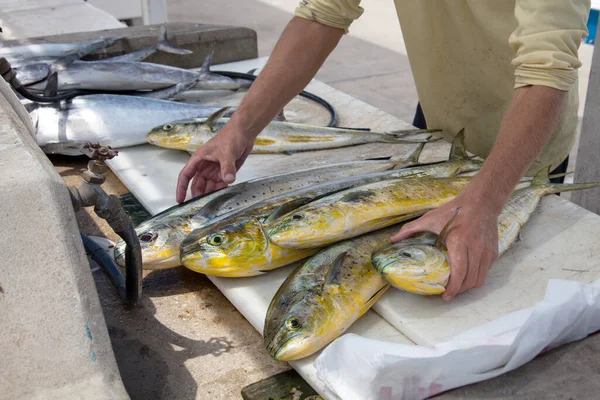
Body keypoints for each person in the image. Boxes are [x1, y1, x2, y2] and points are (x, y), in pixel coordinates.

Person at [175, 1, 591, 301]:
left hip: (523, 148)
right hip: (442, 126)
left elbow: (546, 72)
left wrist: (484, 204)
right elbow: (323, 12)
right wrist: (239, 128)